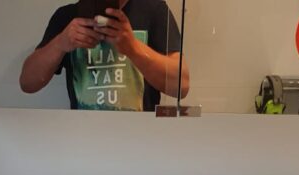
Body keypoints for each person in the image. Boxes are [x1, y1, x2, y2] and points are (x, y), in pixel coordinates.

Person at [20, 1, 188, 111]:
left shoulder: (153, 10)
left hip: (141, 138)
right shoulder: (66, 17)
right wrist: (60, 43)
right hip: (84, 138)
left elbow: (182, 85)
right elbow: (28, 82)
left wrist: (133, 48)